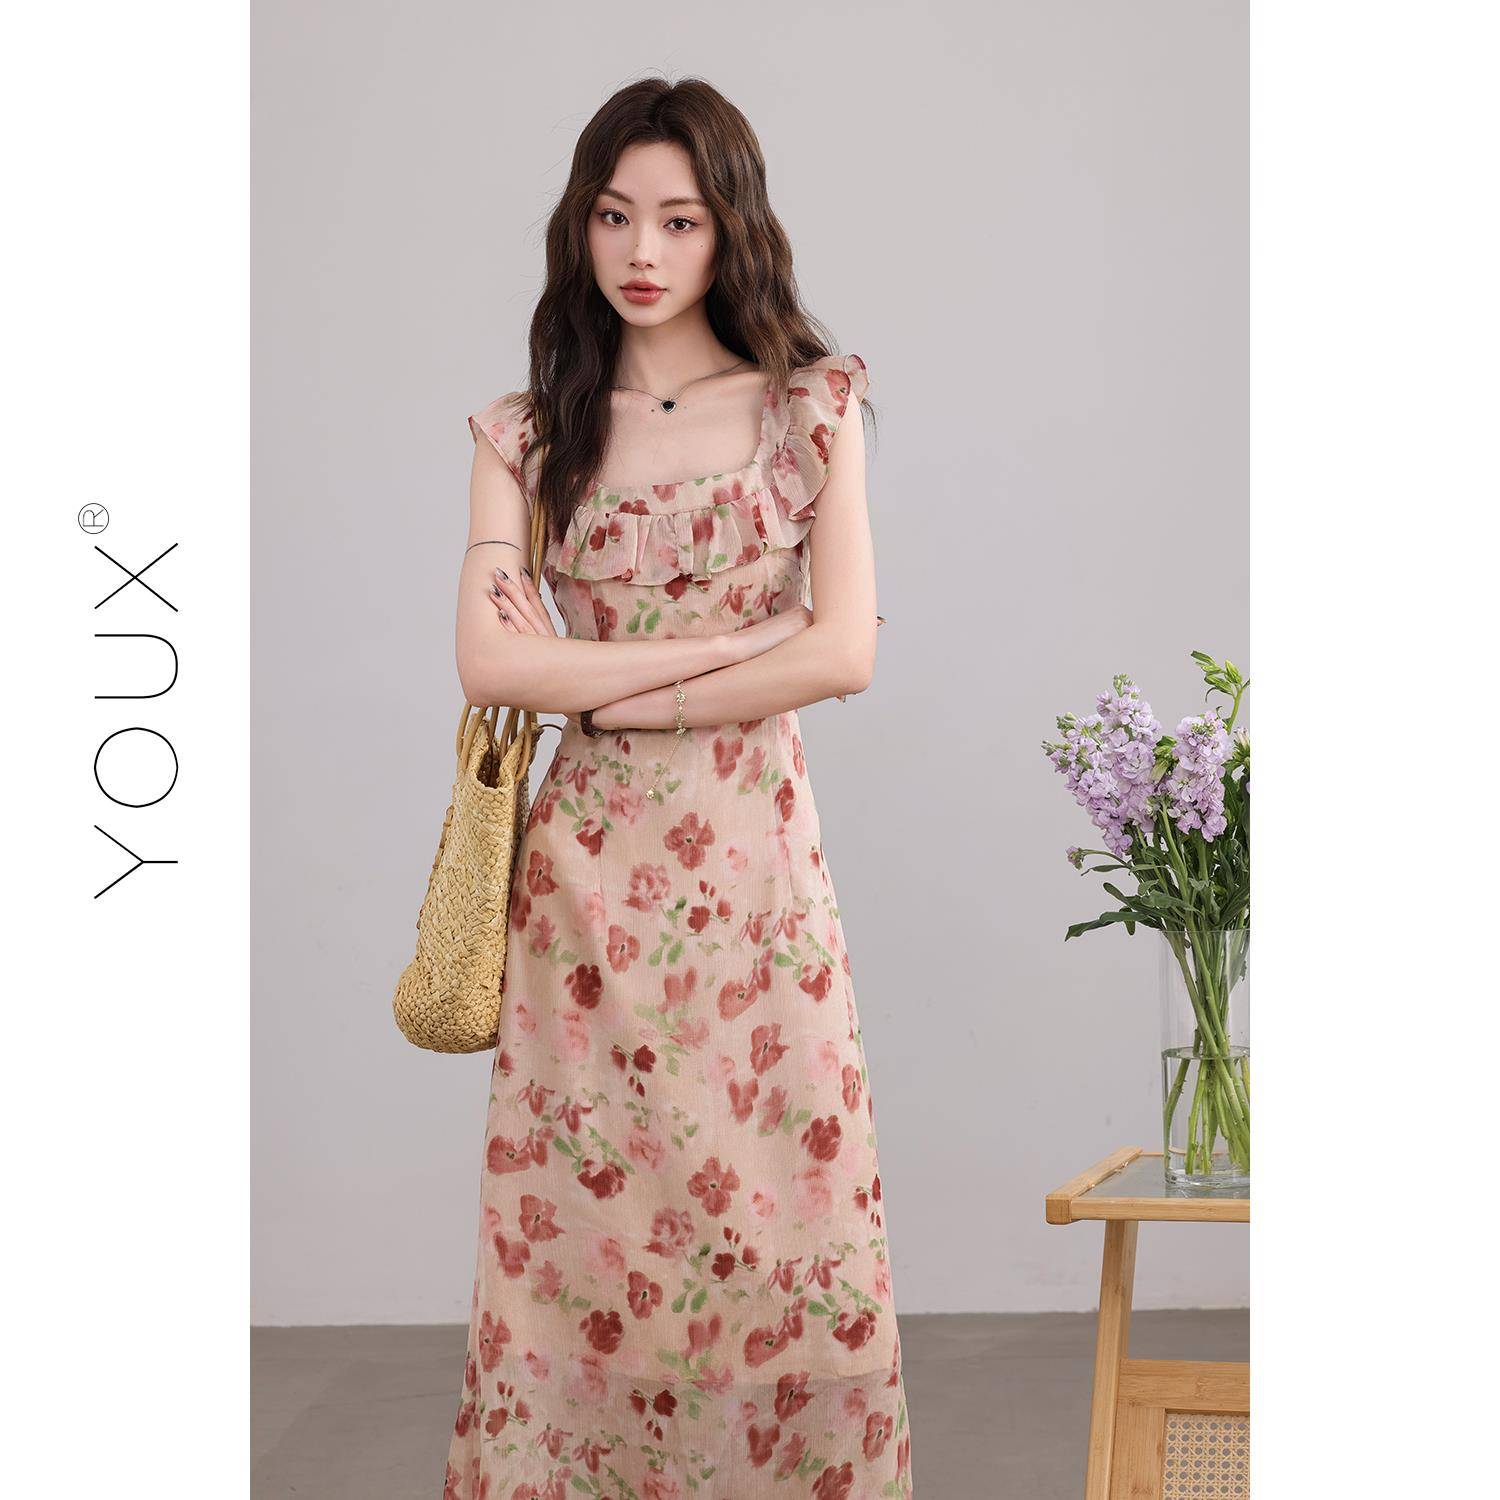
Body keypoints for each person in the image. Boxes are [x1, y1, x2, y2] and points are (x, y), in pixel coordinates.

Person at [443, 75, 912, 1500]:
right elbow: (489, 662)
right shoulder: (528, 434)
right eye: (613, 215)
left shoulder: (811, 409)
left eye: (680, 220)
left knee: (785, 1225)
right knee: (584, 1237)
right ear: (577, 227)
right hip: (583, 892)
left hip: (757, 881)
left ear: (731, 230)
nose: (641, 250)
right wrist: (727, 651)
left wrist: (608, 684)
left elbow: (845, 652)